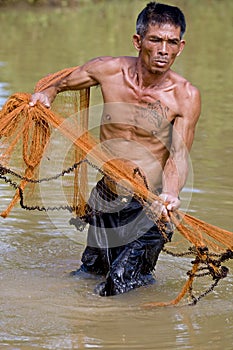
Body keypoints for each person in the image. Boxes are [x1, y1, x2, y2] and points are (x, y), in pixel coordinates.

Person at [30, 2, 201, 296]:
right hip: (106, 198)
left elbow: (179, 155)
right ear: (138, 41)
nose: (164, 50)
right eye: (155, 39)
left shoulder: (185, 96)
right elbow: (60, 83)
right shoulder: (107, 70)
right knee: (87, 275)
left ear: (181, 46)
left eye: (172, 42)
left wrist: (170, 194)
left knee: (116, 287)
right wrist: (47, 93)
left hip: (148, 208)